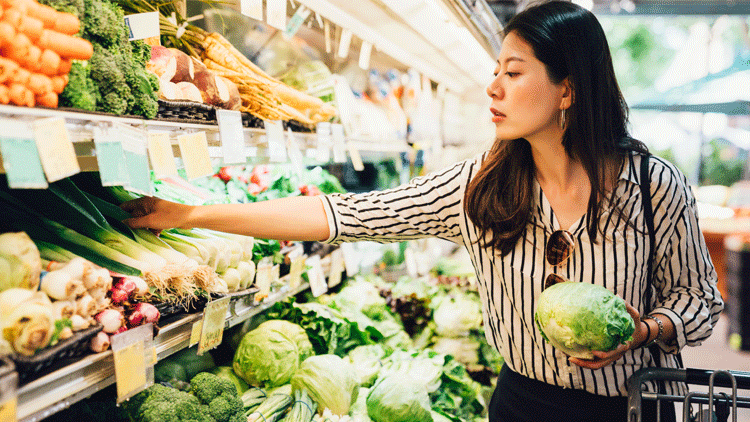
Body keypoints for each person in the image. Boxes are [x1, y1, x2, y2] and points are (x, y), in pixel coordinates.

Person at [121, 1, 724, 421]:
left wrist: (643, 330)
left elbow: (700, 302)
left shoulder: (652, 187)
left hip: (632, 408)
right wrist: (190, 215)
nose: (493, 88)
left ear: (567, 89)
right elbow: (341, 215)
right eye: (495, 72)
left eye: (513, 73)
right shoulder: (481, 191)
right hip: (522, 406)